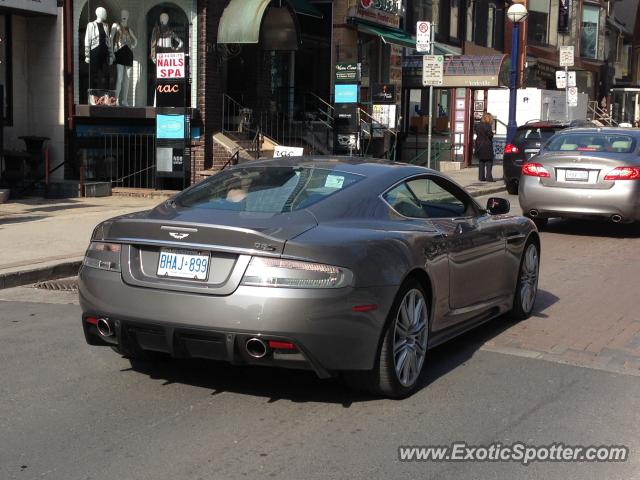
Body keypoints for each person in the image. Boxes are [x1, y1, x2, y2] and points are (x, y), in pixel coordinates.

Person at [475, 112, 495, 182]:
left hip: (479, 145)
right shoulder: (488, 126)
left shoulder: (478, 125)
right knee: (489, 161)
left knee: (481, 161)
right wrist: (492, 133)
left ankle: (481, 177)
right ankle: (489, 177)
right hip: (487, 145)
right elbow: (490, 135)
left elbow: (477, 133)